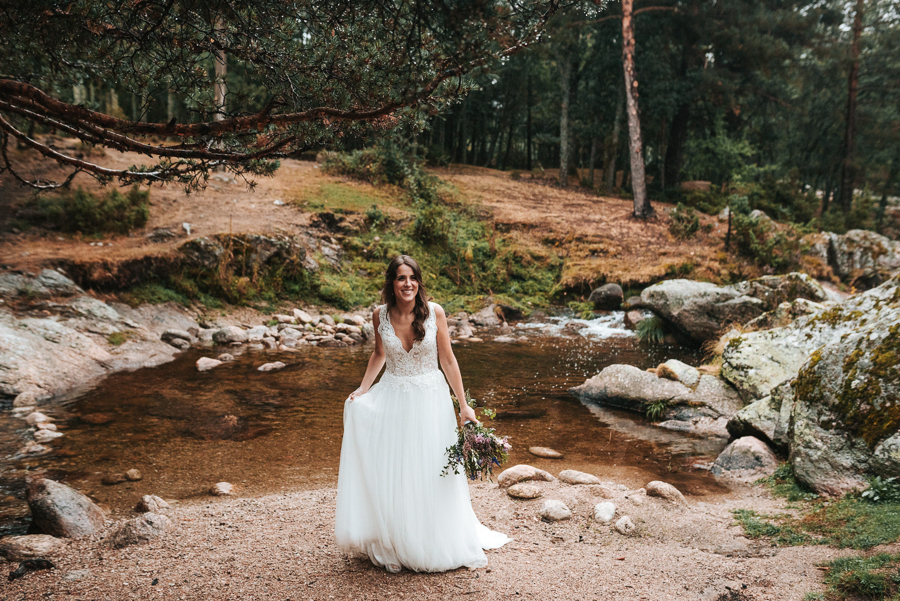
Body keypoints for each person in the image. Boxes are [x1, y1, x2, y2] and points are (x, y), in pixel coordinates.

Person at [335, 254, 511, 573]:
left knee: (429, 469)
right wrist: (362, 389)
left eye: (412, 277)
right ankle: (399, 536)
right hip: (392, 397)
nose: (408, 284)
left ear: (419, 281)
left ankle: (432, 537)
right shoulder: (380, 315)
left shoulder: (434, 313)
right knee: (397, 468)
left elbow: (449, 360)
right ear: (392, 283)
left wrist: (464, 405)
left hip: (431, 400)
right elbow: (378, 354)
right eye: (401, 278)